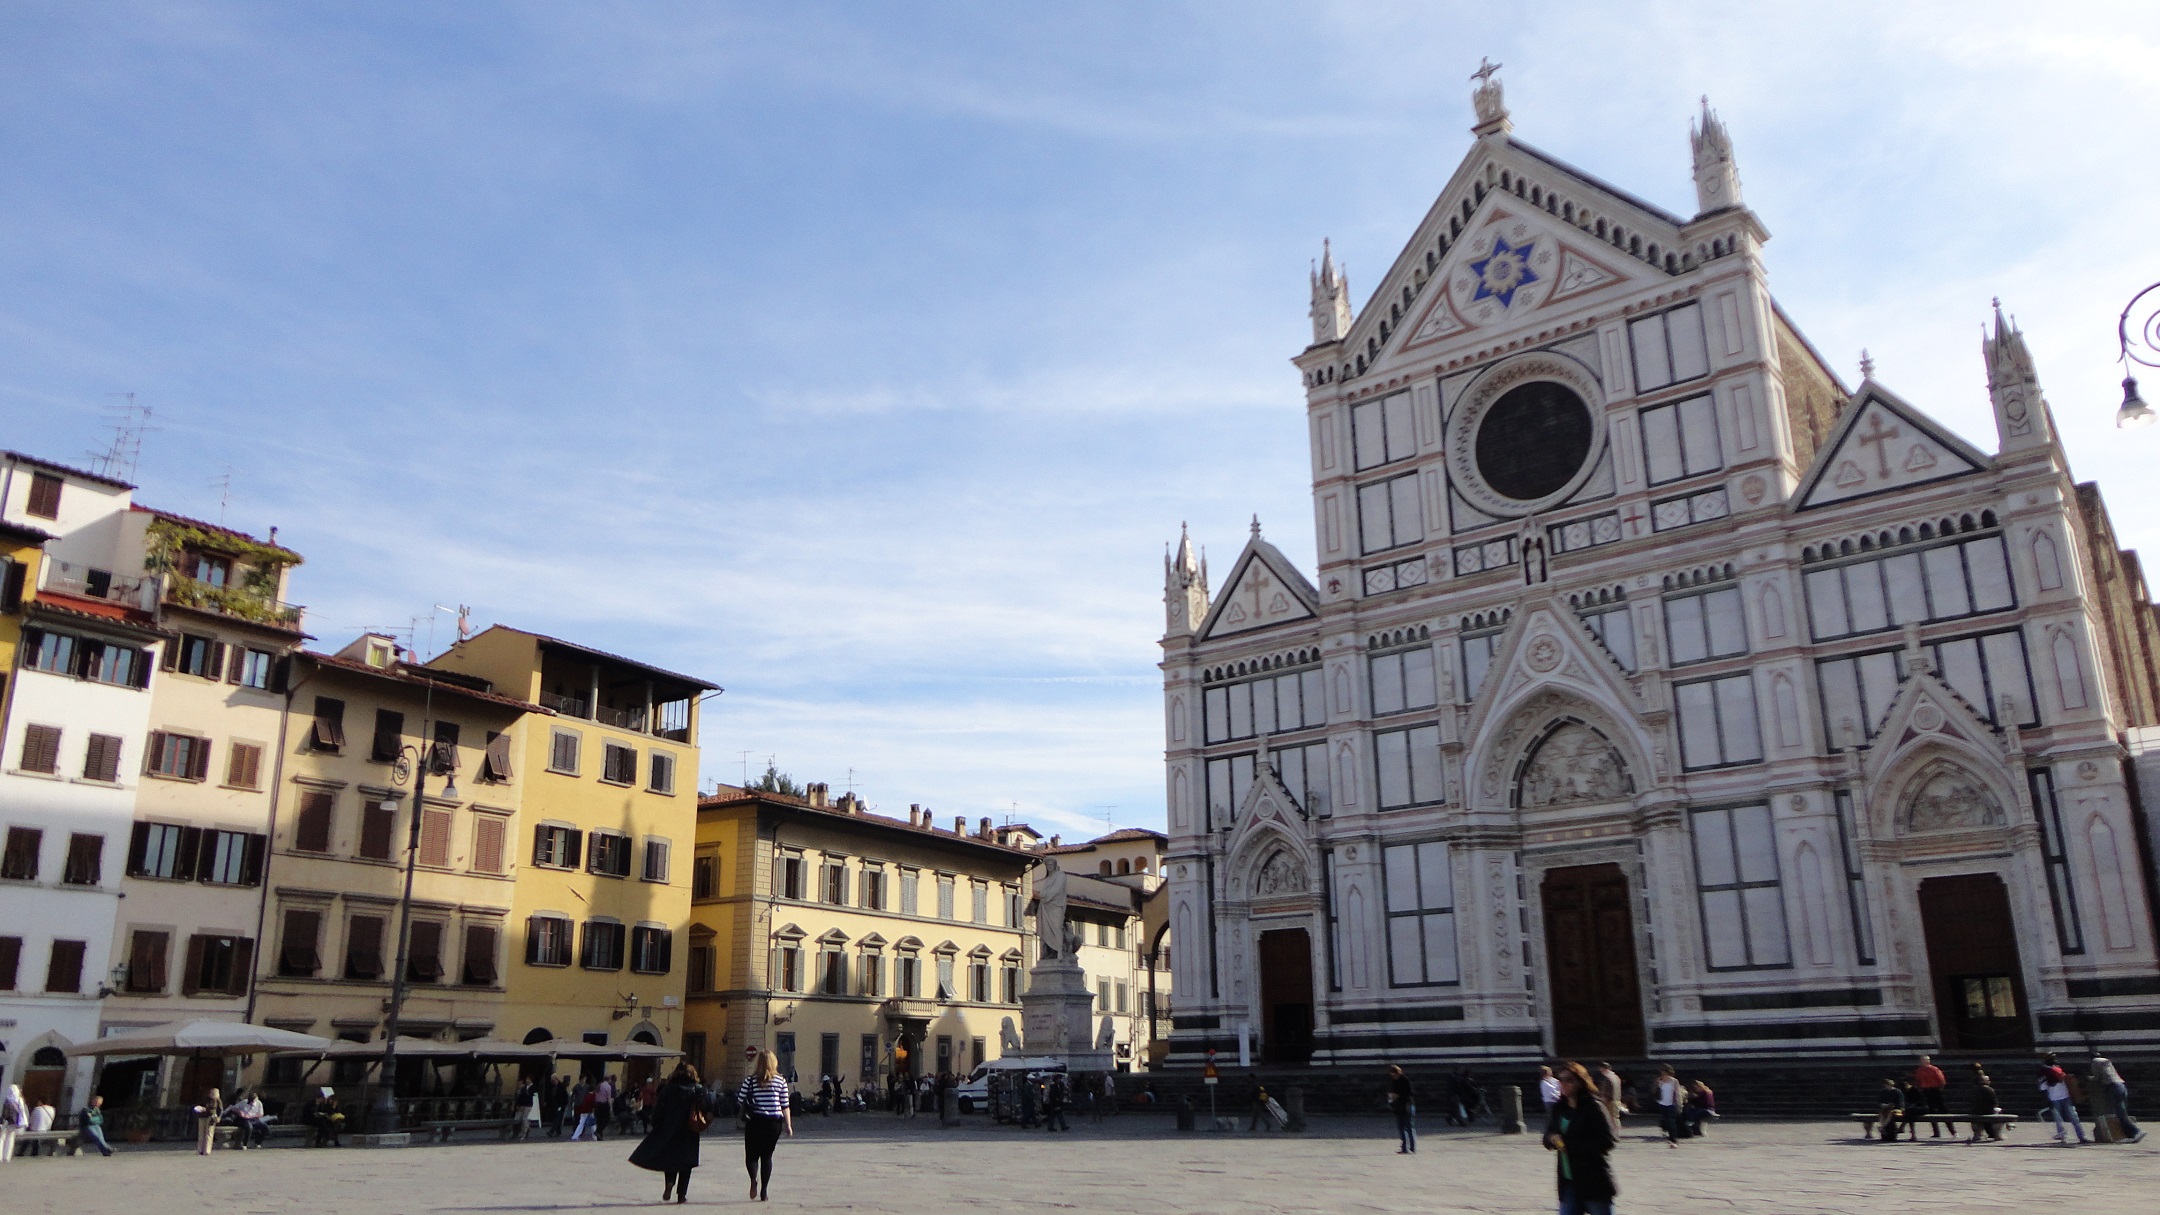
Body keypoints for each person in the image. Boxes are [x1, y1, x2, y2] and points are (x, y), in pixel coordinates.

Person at [630, 1063, 715, 1205]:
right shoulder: (697, 1089)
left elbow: (658, 1110)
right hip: (690, 1129)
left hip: (670, 1128)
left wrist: (657, 1124)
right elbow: (707, 1107)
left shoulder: (668, 1089)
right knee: (686, 1162)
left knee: (671, 1159)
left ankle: (669, 1183)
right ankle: (681, 1195)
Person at [1543, 1062, 1618, 1215]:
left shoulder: (1594, 1107)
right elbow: (1549, 1133)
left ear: (1580, 1082)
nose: (1563, 1084)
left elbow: (1607, 1141)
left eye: (1568, 1080)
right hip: (1568, 1180)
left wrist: (1568, 1146)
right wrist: (1551, 1139)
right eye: (1561, 1080)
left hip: (1592, 1180)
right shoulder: (1559, 1108)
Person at [736, 1049, 793, 1202]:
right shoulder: (781, 1081)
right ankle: (764, 1191)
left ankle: (753, 1180)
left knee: (752, 1155)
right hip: (774, 1123)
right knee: (767, 1156)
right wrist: (789, 1125)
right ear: (774, 1062)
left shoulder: (750, 1080)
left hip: (755, 1121)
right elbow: (785, 1105)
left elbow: (740, 1099)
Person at [2089, 1052, 2143, 1143]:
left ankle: (2136, 1132)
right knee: (2123, 1112)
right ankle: (2130, 1135)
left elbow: (2097, 1077)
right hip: (2121, 1085)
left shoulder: (2095, 1062)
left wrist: (2090, 1078)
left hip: (2113, 1087)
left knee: (2120, 1114)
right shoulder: (2108, 1062)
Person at [2038, 1053, 2088, 1144]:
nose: (2055, 1060)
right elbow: (2041, 1087)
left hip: (2065, 1096)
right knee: (2059, 1120)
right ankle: (2063, 1138)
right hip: (2054, 1099)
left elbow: (2065, 1078)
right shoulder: (2045, 1072)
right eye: (2052, 1058)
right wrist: (2048, 1082)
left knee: (2074, 1117)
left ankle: (2082, 1136)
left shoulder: (2057, 1069)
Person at [1912, 1055, 1947, 1136]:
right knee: (1931, 1111)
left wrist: (1940, 1089)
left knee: (1943, 1110)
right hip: (1926, 1091)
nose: (1923, 1062)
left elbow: (1941, 1080)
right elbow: (1918, 1081)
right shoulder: (1919, 1070)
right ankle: (1936, 1132)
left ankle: (1953, 1132)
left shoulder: (1934, 1069)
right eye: (1922, 1060)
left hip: (1936, 1090)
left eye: (1925, 1060)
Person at [1966, 1065, 2000, 1144]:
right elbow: (1994, 1102)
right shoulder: (1989, 1089)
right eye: (1988, 1080)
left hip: (1975, 1111)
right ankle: (1996, 1134)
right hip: (1986, 1111)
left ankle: (1978, 1133)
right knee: (1998, 1113)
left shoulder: (1974, 1089)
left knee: (1980, 1118)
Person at [1387, 1064, 1417, 1154]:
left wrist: (1398, 1095)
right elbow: (1392, 1091)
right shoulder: (1394, 1081)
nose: (1393, 1077)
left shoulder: (1405, 1080)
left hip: (1407, 1105)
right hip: (1399, 1106)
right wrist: (1391, 1096)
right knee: (1401, 1127)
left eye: (1394, 1074)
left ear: (1397, 1073)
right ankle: (1404, 1147)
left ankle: (1412, 1147)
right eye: (1392, 1075)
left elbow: (1410, 1093)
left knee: (1409, 1126)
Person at [1653, 1066, 1682, 1147]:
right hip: (1661, 1103)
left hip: (1671, 1104)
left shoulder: (1674, 1081)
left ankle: (1673, 1138)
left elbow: (1677, 1093)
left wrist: (1679, 1103)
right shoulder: (1659, 1080)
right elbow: (1654, 1091)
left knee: (1671, 1121)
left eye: (1664, 1071)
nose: (1662, 1073)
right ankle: (1669, 1135)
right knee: (1665, 1120)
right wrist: (1657, 1085)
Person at [1596, 1063, 1626, 1134]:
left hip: (1609, 1101)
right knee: (1615, 1117)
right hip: (1617, 1100)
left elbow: (1608, 1090)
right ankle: (1617, 1132)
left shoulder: (1607, 1078)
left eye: (1601, 1068)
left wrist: (1604, 1098)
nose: (1600, 1070)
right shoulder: (1616, 1077)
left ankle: (1612, 1132)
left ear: (1604, 1068)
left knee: (1610, 1117)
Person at [1873, 1078, 1904, 1142]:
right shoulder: (1883, 1092)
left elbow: (1900, 1103)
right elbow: (1879, 1102)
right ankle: (1883, 1126)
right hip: (1886, 1108)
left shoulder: (1897, 1091)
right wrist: (1883, 1105)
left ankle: (1882, 1127)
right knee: (1881, 1112)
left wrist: (1892, 1105)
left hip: (1896, 1109)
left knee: (1890, 1113)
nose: (1887, 1086)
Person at [195, 1087, 225, 1155]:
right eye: (212, 1093)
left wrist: (219, 1117)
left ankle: (207, 1150)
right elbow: (199, 1105)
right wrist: (201, 1108)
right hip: (202, 1116)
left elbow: (221, 1110)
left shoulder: (218, 1100)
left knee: (209, 1133)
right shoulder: (205, 1099)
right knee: (201, 1133)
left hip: (211, 1117)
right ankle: (200, 1150)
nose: (213, 1095)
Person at [1, 1083, 23, 1162]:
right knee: (10, 1139)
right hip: (14, 1123)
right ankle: (7, 1157)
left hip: (6, 1122)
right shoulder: (18, 1101)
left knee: (2, 1138)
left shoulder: (7, 1100)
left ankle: (0, 1155)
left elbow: (5, 1114)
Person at [593, 1075, 616, 1141]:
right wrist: (611, 1107)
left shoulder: (599, 1085)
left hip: (597, 1104)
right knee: (606, 1119)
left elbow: (595, 1095)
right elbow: (608, 1097)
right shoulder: (608, 1086)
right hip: (604, 1104)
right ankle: (598, 1131)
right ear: (609, 1080)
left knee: (599, 1120)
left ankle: (599, 1136)